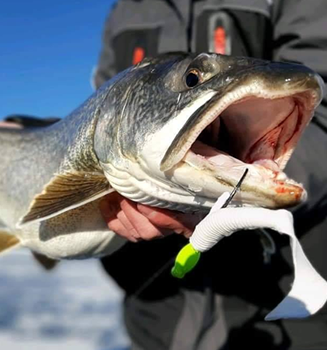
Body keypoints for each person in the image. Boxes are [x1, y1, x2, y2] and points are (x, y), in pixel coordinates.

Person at [94, 1, 327, 349]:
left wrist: (223, 193)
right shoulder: (126, 9)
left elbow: (321, 115)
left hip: (288, 319)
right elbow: (102, 112)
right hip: (156, 322)